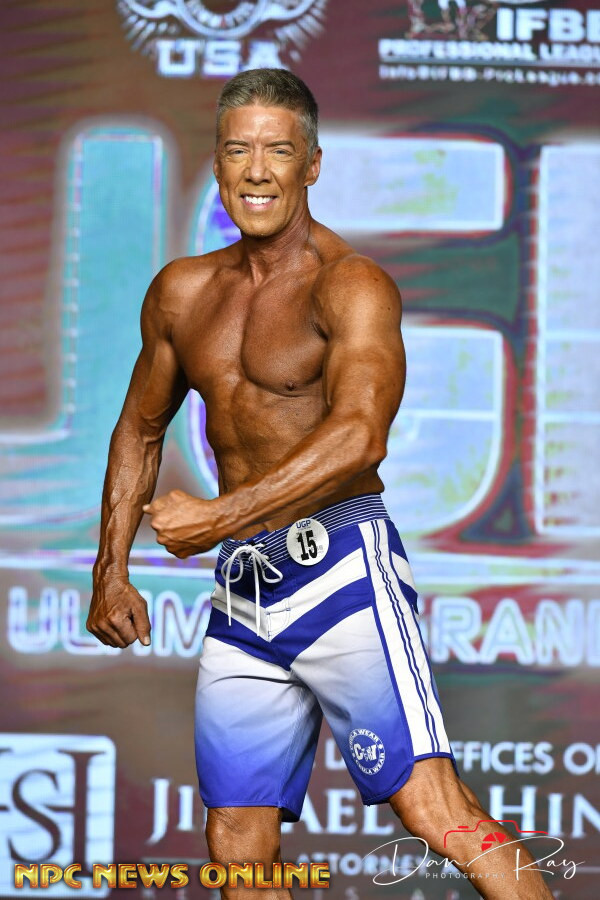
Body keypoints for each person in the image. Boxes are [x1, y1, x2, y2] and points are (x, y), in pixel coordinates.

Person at [88, 69, 552, 899]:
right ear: (218, 162)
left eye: (278, 151)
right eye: (239, 150)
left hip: (341, 568)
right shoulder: (183, 293)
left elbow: (359, 435)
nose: (256, 171)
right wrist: (109, 569)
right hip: (244, 590)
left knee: (434, 808)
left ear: (312, 164)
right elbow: (140, 427)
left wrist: (219, 515)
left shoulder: (351, 284)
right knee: (236, 838)